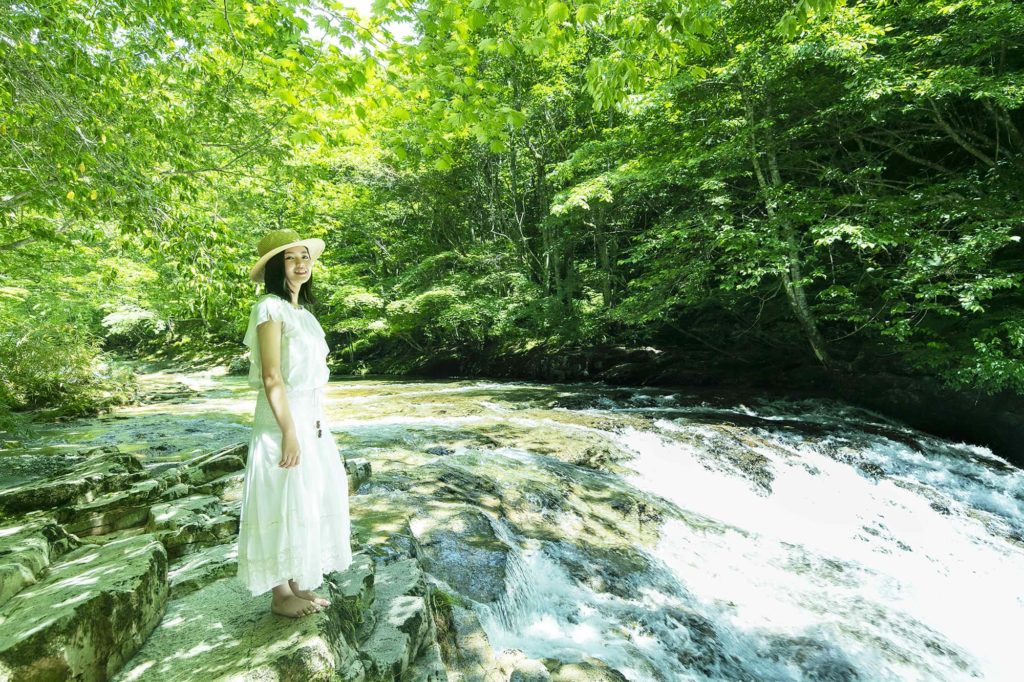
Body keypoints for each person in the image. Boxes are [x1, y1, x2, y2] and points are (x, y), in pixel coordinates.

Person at [236, 228, 353, 618]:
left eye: (305, 256)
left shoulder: (304, 313)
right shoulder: (269, 308)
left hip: (311, 415)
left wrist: (312, 425)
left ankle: (300, 580)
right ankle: (280, 593)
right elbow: (272, 375)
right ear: (274, 267)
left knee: (308, 495)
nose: (301, 263)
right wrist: (289, 431)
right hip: (281, 418)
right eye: (290, 258)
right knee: (281, 495)